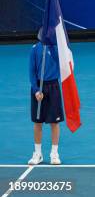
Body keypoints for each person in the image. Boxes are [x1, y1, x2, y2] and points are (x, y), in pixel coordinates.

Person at [28, 28, 64, 165]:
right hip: (38, 88)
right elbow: (31, 72)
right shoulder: (34, 49)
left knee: (54, 122)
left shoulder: (56, 49)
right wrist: (36, 90)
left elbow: (59, 63)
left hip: (53, 87)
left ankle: (54, 154)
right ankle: (37, 154)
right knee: (38, 122)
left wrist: (51, 47)